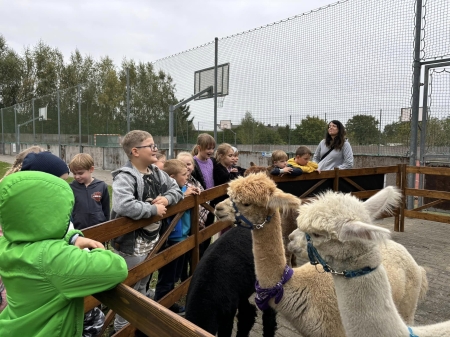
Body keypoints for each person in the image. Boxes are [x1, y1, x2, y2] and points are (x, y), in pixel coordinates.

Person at [0, 171, 128, 337]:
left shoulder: (6, 244)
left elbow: (39, 241)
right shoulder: (53, 259)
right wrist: (101, 252)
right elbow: (117, 269)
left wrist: (70, 238)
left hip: (16, 327)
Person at [111, 130, 183, 332]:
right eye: (150, 146)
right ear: (135, 151)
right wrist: (153, 210)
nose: (155, 149)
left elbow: (176, 189)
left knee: (143, 283)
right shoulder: (125, 177)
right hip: (130, 246)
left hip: (152, 241)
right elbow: (123, 205)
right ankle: (121, 329)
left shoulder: (156, 172)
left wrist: (168, 199)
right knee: (128, 291)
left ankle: (138, 325)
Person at [153, 159, 192, 315]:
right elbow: (167, 203)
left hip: (183, 238)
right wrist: (184, 194)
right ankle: (161, 305)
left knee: (175, 275)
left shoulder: (183, 188)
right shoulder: (166, 192)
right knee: (167, 277)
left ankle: (168, 302)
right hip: (170, 240)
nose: (187, 176)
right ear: (171, 177)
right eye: (183, 174)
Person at [69, 153, 110, 230]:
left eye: (80, 173)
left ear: (91, 169)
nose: (77, 176)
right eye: (74, 173)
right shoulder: (70, 188)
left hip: (99, 229)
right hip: (78, 231)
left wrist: (107, 228)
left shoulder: (101, 186)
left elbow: (106, 210)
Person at [191, 133, 216, 255]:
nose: (211, 151)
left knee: (208, 235)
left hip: (211, 204)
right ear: (199, 148)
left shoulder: (212, 161)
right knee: (198, 237)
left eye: (212, 148)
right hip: (200, 206)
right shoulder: (193, 163)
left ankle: (204, 259)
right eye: (208, 148)